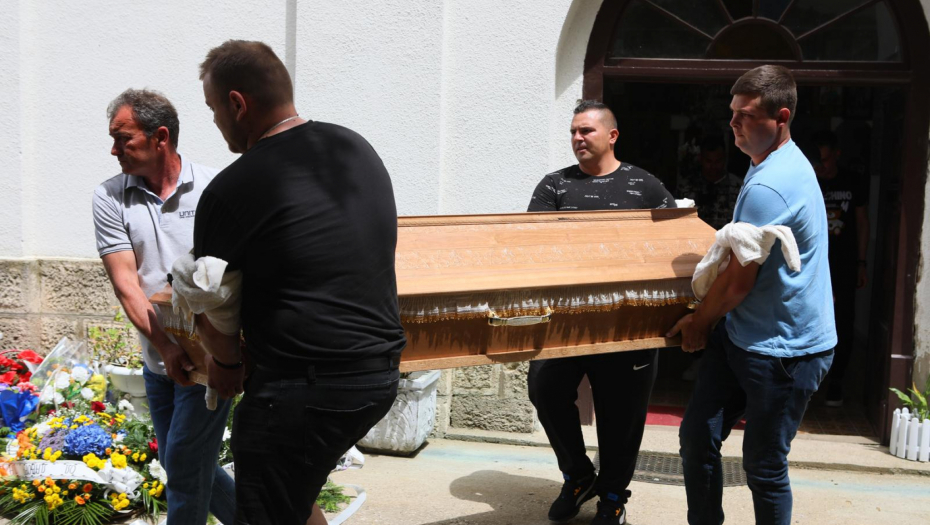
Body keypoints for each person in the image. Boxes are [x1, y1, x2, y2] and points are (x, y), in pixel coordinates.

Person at [192, 40, 407, 525]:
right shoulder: (354, 147)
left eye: (212, 108)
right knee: (293, 497)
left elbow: (212, 303)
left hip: (303, 390)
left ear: (237, 104)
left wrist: (224, 363)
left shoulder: (234, 187)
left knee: (269, 509)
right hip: (377, 375)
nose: (215, 121)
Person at [668, 65, 836, 525]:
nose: (733, 123)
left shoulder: (770, 184)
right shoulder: (770, 161)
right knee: (697, 437)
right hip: (743, 333)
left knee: (764, 466)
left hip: (785, 352)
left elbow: (739, 281)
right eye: (732, 113)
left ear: (781, 118)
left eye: (745, 116)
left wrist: (699, 322)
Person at [527, 100, 675, 525]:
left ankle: (612, 497)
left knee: (621, 415)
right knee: (545, 389)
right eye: (573, 131)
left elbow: (676, 242)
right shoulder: (554, 186)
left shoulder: (644, 186)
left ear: (612, 136)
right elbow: (532, 245)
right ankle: (578, 475)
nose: (577, 138)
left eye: (586, 130)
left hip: (629, 324)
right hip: (565, 322)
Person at [92, 89, 235, 525]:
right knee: (182, 462)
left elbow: (233, 275)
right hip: (159, 359)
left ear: (160, 137)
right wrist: (166, 348)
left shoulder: (214, 188)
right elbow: (127, 286)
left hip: (209, 359)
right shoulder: (111, 197)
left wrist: (224, 351)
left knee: (185, 470)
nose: (114, 149)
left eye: (123, 139)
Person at [812, 130, 870, 407]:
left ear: (837, 154)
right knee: (808, 318)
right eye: (818, 161)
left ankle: (836, 380)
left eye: (826, 160)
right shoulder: (806, 180)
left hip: (844, 264)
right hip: (812, 263)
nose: (822, 167)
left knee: (843, 321)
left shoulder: (852, 181)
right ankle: (807, 380)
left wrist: (861, 262)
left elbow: (862, 222)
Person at [677, 134, 743, 231]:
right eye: (708, 161)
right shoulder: (686, 187)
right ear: (701, 159)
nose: (713, 166)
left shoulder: (739, 187)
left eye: (718, 161)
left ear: (724, 159)